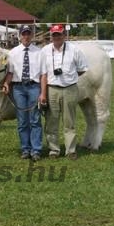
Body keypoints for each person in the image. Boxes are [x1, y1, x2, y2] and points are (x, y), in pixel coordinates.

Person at [40, 24, 88, 161]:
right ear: (51, 36)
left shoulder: (74, 50)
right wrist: (43, 93)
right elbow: (43, 73)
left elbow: (82, 68)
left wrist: (70, 77)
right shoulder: (45, 51)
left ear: (64, 35)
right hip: (52, 89)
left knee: (69, 121)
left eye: (59, 34)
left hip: (70, 89)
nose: (57, 37)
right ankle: (53, 150)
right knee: (51, 121)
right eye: (54, 35)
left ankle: (70, 150)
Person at [1, 25, 44, 161]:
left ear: (32, 36)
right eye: (24, 34)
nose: (26, 36)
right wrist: (7, 83)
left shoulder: (39, 52)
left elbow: (43, 74)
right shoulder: (13, 52)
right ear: (20, 36)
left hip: (34, 87)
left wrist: (43, 92)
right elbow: (10, 72)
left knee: (35, 119)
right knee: (22, 120)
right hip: (18, 88)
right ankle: (25, 149)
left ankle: (36, 150)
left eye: (28, 34)